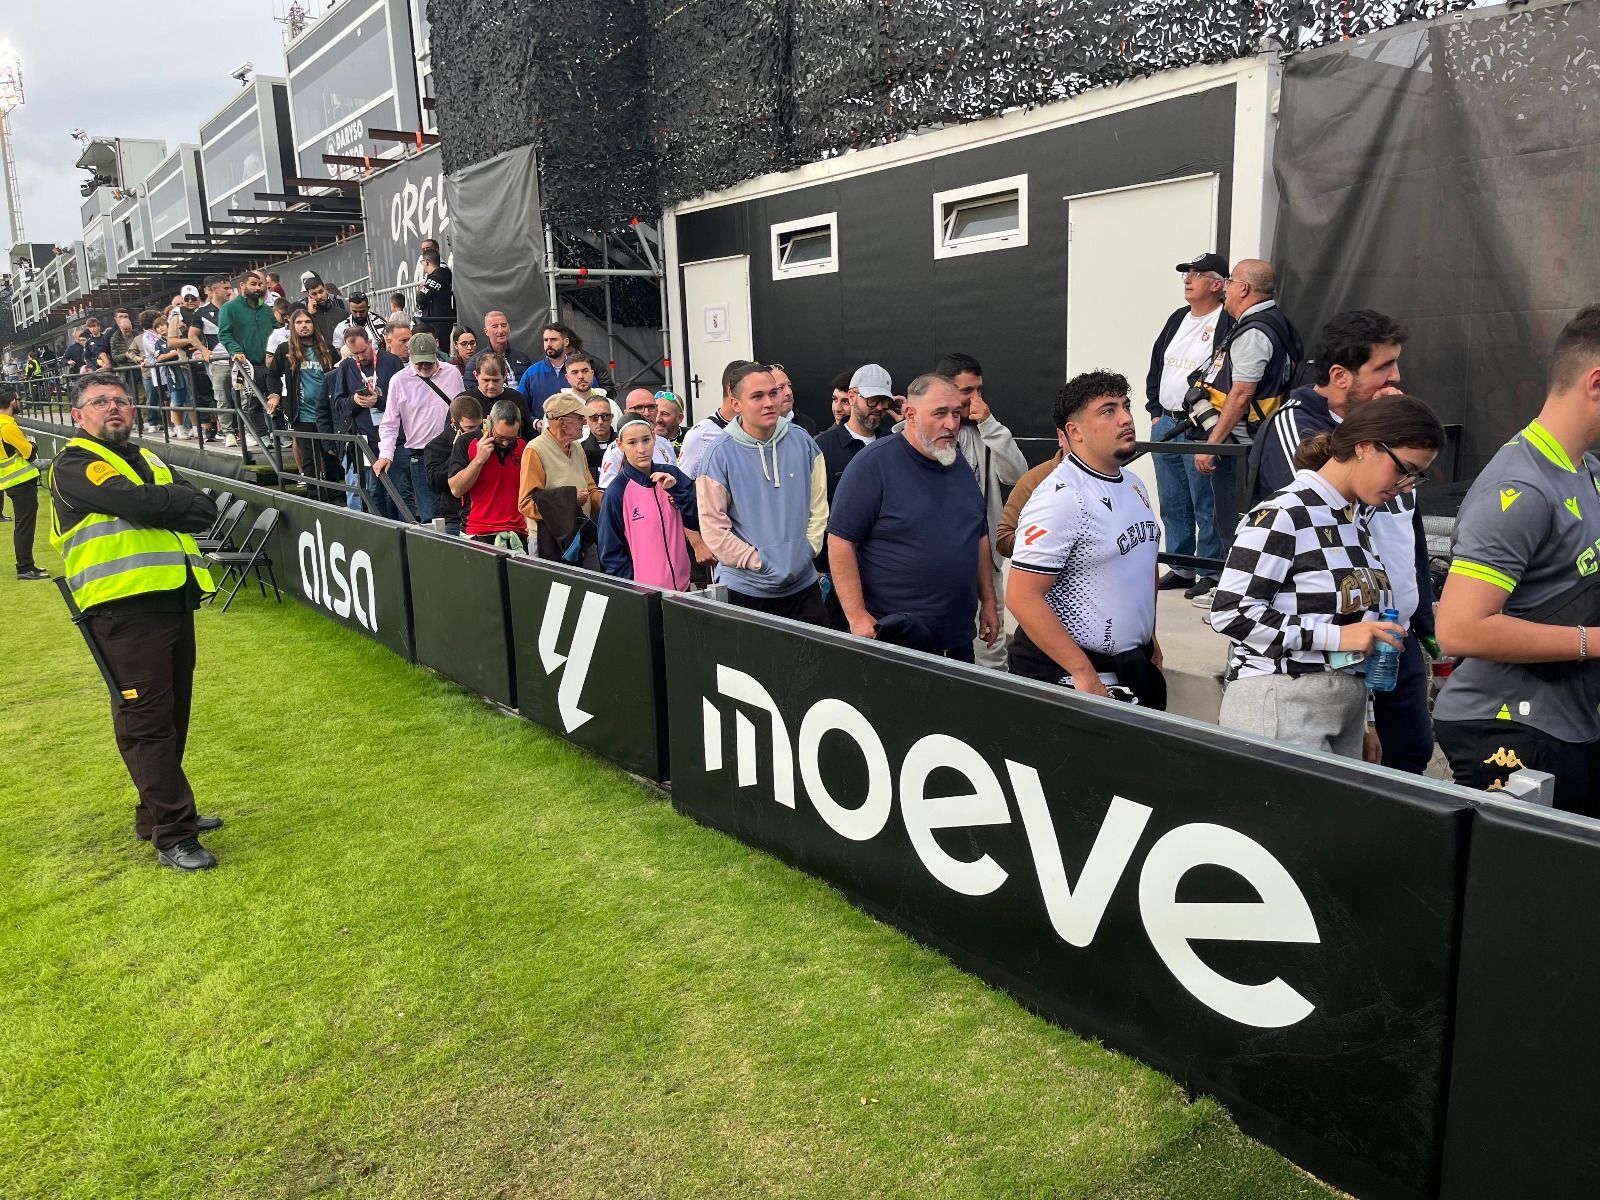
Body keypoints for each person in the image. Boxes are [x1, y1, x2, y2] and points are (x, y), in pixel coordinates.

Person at [1248, 310, 1435, 774]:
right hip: (1320, 656)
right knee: (1340, 776)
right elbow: (1328, 517)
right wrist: (1381, 429)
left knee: (1408, 756)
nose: (1396, 377)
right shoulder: (1297, 426)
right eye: (1384, 366)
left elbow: (1406, 533)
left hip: (1390, 630)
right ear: (1339, 376)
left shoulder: (1394, 446)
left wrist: (1423, 620)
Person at [49, 372, 222, 870]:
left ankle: (157, 813)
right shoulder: (75, 463)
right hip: (121, 609)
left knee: (172, 716)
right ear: (77, 415)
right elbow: (138, 503)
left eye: (121, 400)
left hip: (172, 600)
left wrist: (160, 505)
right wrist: (165, 504)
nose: (114, 407)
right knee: (146, 722)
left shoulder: (148, 458)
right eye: (99, 401)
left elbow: (204, 508)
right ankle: (174, 834)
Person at [1209, 395, 1442, 760]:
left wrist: (1366, 721)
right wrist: (1338, 637)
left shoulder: (1354, 520)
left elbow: (1358, 630)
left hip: (1338, 708)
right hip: (1279, 700)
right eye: (1405, 469)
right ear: (1365, 447)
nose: (1407, 486)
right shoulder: (1285, 512)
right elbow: (1230, 612)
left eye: (1417, 476)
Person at [1434, 306, 1600, 813]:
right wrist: (1594, 642)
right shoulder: (1520, 486)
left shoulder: (1585, 469)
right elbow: (1459, 630)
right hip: (1509, 726)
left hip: (1570, 723)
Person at [1007, 371, 1166, 706]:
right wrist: (1082, 672)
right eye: (1108, 411)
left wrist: (1148, 636)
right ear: (1074, 431)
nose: (1126, 418)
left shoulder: (1135, 484)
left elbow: (1143, 563)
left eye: (1125, 406)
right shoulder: (1063, 496)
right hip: (1073, 676)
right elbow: (1022, 597)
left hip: (1132, 666)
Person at [827, 373, 998, 659]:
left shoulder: (958, 465)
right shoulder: (873, 465)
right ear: (910, 415)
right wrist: (856, 616)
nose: (951, 424)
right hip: (897, 640)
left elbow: (978, 535)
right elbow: (840, 541)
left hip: (957, 638)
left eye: (956, 413)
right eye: (940, 414)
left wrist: (989, 602)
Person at [1191, 259, 1305, 601]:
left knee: (1235, 519)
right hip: (1258, 440)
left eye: (1230, 282)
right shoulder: (1275, 322)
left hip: (1241, 445)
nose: (1225, 288)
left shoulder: (1254, 331)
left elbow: (1241, 394)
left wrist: (1212, 445)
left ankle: (1233, 592)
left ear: (1243, 288)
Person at [695, 363, 829, 623]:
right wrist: (757, 562)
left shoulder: (803, 442)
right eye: (757, 396)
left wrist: (806, 550)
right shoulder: (719, 454)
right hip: (745, 589)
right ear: (736, 404)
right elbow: (713, 527)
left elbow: (819, 506)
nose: (769, 403)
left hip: (802, 586)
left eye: (773, 393)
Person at [1147, 253, 1234, 599]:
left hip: (1200, 425)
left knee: (1205, 500)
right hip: (1165, 422)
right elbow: (1158, 363)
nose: (1188, 279)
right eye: (1187, 273)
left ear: (1217, 284)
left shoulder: (1226, 321)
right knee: (1172, 500)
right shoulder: (1178, 318)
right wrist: (1155, 411)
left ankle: (1209, 569)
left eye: (1197, 274)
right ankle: (1181, 565)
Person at [935, 352, 1028, 668]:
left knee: (990, 651)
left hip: (984, 562)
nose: (976, 398)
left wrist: (990, 424)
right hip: (938, 562)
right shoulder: (924, 432)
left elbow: (1017, 475)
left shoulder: (985, 431)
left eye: (979, 390)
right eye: (967, 391)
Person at [598, 415, 701, 589]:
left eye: (646, 440)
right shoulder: (616, 492)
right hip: (644, 596)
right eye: (632, 443)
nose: (641, 449)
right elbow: (610, 553)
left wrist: (677, 492)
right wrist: (635, 591)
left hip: (682, 590)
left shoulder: (672, 475)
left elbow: (698, 521)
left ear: (654, 438)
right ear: (620, 445)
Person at [374, 333, 463, 523]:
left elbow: (463, 410)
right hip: (421, 455)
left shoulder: (452, 373)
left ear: (436, 355)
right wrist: (386, 454)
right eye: (419, 363)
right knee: (430, 516)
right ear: (410, 357)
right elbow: (390, 422)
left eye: (427, 363)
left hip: (453, 450)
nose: (423, 367)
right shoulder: (399, 380)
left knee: (458, 513)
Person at [330, 326, 405, 519]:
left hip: (395, 439)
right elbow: (338, 405)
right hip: (366, 442)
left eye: (363, 351)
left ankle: (403, 530)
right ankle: (382, 529)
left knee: (399, 492)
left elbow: (405, 400)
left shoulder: (391, 362)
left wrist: (378, 402)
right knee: (373, 492)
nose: (360, 357)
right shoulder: (346, 367)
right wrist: (355, 401)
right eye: (355, 354)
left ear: (371, 343)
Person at [518, 390, 603, 557]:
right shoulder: (535, 450)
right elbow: (526, 504)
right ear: (562, 423)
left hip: (581, 537)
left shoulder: (577, 447)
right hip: (549, 542)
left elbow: (590, 491)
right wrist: (569, 500)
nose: (584, 422)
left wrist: (608, 500)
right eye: (580, 417)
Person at [266, 307, 339, 493]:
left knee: (332, 457)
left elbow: (339, 375)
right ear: (292, 326)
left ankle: (336, 496)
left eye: (307, 322)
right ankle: (315, 496)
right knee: (309, 459)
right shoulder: (285, 349)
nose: (304, 326)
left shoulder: (327, 348)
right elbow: (272, 375)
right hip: (302, 414)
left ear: (314, 325)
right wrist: (275, 394)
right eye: (299, 322)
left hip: (327, 414)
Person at [448, 398, 528, 551]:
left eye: (511, 438)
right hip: (479, 532)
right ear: (489, 422)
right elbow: (456, 489)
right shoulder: (466, 442)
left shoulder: (522, 445)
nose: (505, 443)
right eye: (500, 437)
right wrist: (479, 460)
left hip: (517, 533)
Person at [815, 366, 888, 502]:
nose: (879, 407)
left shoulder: (893, 443)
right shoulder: (822, 446)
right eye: (872, 400)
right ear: (852, 397)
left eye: (884, 401)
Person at [218, 271, 275, 445]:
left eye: (260, 284)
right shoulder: (230, 308)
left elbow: (277, 330)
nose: (257, 288)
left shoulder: (266, 309)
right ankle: (260, 435)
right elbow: (224, 334)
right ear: (242, 285)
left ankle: (279, 434)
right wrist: (236, 350)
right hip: (247, 363)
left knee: (275, 398)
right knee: (252, 402)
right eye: (253, 284)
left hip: (269, 363)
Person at [188, 276, 239, 446]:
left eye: (230, 288)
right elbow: (192, 335)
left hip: (237, 359)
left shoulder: (235, 308)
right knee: (222, 398)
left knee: (243, 396)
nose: (229, 291)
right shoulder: (201, 312)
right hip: (217, 362)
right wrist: (204, 350)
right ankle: (228, 433)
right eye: (226, 288)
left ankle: (246, 431)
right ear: (214, 289)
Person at [0, 388, 45, 580]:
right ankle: (25, 567)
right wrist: (31, 446)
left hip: (11, 482)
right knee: (25, 525)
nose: (20, 402)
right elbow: (30, 453)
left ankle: (27, 565)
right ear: (12, 402)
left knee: (22, 524)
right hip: (21, 482)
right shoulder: (8, 426)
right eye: (18, 399)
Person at [679, 359, 751, 477]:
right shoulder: (700, 435)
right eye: (755, 392)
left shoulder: (760, 428)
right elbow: (684, 482)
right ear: (731, 390)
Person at [599, 388, 678, 487]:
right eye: (639, 407)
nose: (646, 413)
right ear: (627, 412)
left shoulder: (665, 444)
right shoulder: (616, 450)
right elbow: (607, 491)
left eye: (651, 407)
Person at [427, 394, 482, 536]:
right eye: (469, 427)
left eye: (479, 426)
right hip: (455, 518)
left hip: (484, 514)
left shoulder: (484, 440)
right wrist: (456, 453)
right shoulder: (436, 446)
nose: (475, 432)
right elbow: (434, 483)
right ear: (454, 423)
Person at [140, 309, 194, 440]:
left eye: (163, 324)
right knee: (168, 401)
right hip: (163, 373)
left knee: (188, 399)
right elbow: (157, 355)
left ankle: (191, 427)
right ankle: (171, 428)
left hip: (179, 370)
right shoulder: (149, 337)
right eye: (158, 324)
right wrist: (177, 351)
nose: (161, 327)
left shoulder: (173, 334)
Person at [462, 351, 534, 435]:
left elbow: (529, 435)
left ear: (505, 375)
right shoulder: (464, 402)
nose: (491, 386)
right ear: (476, 375)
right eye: (486, 380)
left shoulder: (517, 399)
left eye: (496, 380)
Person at [466, 311, 533, 388]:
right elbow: (471, 392)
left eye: (503, 325)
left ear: (509, 328)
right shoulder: (475, 362)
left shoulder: (523, 359)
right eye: (495, 327)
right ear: (486, 332)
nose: (500, 330)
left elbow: (532, 387)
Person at [413, 247, 455, 344]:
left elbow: (420, 299)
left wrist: (420, 290)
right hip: (440, 322)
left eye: (422, 262)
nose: (422, 264)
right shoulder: (441, 275)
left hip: (437, 323)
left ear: (427, 262)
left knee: (439, 349)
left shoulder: (435, 278)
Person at [770, 363, 816, 434]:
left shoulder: (806, 424)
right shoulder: (756, 426)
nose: (789, 392)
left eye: (789, 386)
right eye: (780, 387)